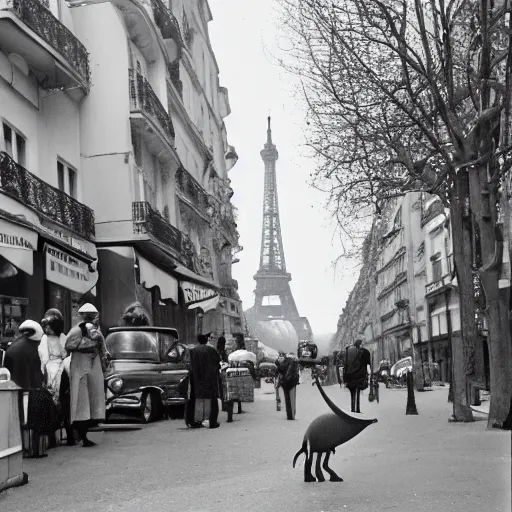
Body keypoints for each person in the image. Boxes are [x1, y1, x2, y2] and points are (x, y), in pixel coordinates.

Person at [4, 320, 59, 457]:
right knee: (35, 420)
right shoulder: (34, 348)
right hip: (32, 390)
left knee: (20, 420)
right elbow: (38, 371)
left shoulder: (13, 347)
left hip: (14, 388)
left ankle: (22, 448)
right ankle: (35, 449)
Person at [65, 303, 108, 447]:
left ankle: (83, 434)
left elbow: (102, 346)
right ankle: (81, 435)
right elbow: (69, 345)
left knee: (89, 400)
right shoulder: (76, 331)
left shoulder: (93, 330)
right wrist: (87, 343)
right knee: (80, 401)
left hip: (90, 367)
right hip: (80, 368)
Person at [39, 308, 73, 447]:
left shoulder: (47, 338)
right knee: (63, 402)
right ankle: (68, 435)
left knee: (53, 402)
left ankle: (54, 438)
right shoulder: (59, 337)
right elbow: (65, 352)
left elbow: (43, 357)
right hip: (60, 369)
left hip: (52, 369)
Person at [186, 333, 221, 429]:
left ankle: (191, 421)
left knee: (192, 399)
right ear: (206, 340)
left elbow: (189, 365)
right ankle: (213, 422)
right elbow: (218, 364)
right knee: (213, 399)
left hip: (196, 379)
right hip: (210, 380)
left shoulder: (193, 351)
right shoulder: (212, 350)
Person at [344, 339, 372, 413]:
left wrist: (345, 377)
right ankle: (357, 409)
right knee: (358, 392)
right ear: (360, 344)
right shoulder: (365, 352)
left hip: (349, 375)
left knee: (352, 392)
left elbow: (345, 364)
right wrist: (368, 374)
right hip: (360, 375)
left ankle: (353, 409)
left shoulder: (348, 351)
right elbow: (368, 365)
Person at [277, 352, 300, 420]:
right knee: (292, 399)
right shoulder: (294, 363)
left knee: (288, 399)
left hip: (286, 383)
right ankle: (292, 415)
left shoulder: (285, 363)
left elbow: (280, 370)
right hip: (292, 383)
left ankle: (290, 415)